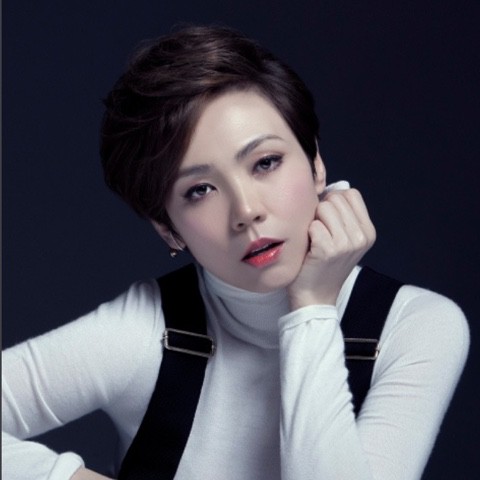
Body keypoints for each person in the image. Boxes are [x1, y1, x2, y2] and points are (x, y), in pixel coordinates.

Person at [2, 24, 470, 480]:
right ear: (168, 229)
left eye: (266, 163)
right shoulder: (147, 329)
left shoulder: (414, 327)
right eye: (200, 190)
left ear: (316, 164)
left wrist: (312, 309)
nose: (246, 211)